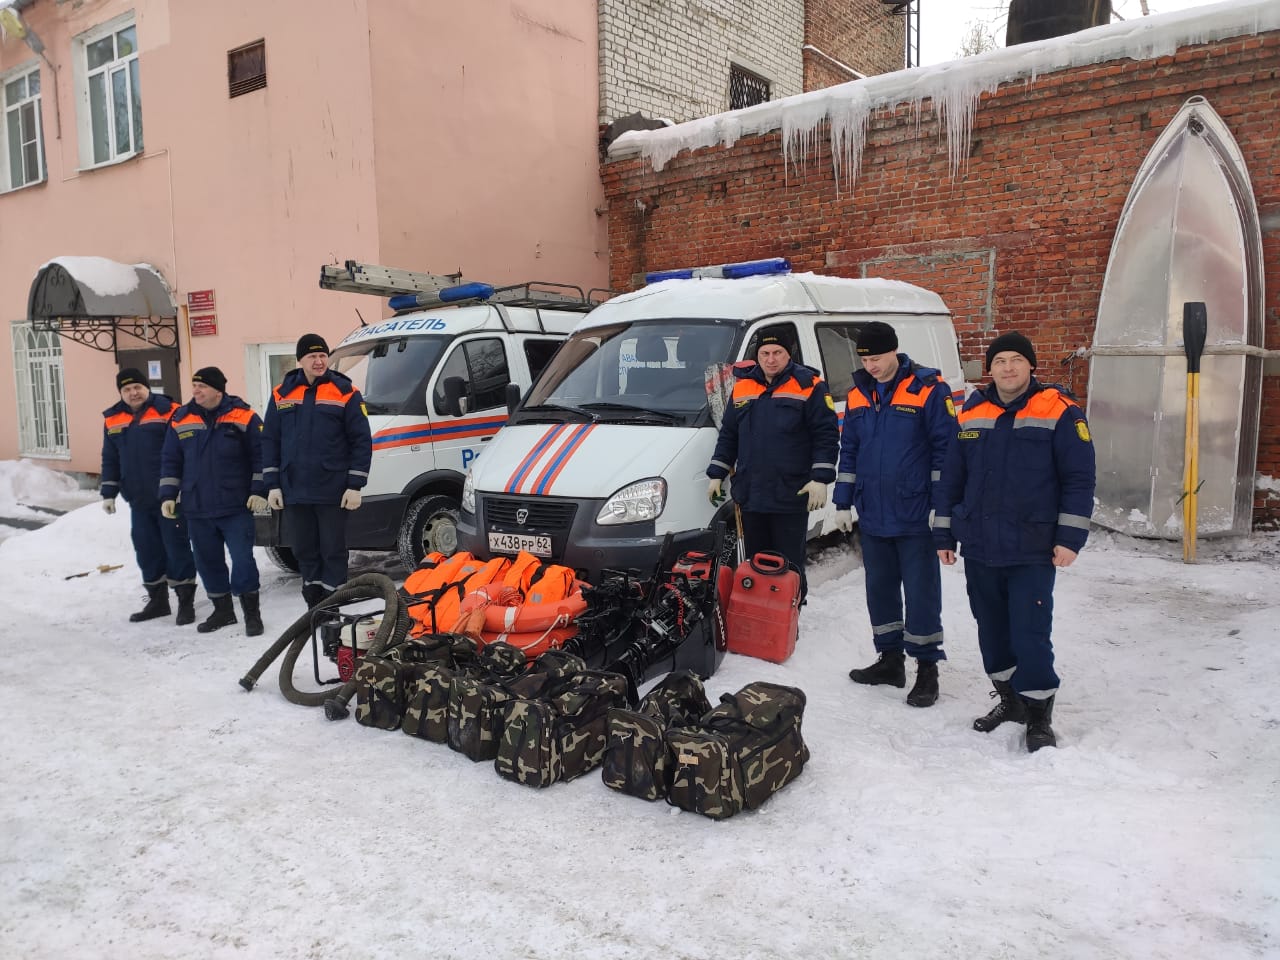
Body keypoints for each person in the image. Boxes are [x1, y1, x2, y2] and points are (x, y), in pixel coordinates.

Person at [932, 332, 1096, 752]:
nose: (1007, 368)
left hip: (1032, 545)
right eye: (1000, 360)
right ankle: (1010, 701)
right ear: (990, 368)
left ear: (1031, 366)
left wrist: (1070, 538)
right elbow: (952, 477)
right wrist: (945, 532)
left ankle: (1039, 714)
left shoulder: (1060, 411)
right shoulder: (971, 412)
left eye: (1016, 360)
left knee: (1030, 633)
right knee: (992, 630)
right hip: (981, 545)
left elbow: (1078, 479)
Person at [833, 322, 956, 708]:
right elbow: (849, 450)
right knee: (879, 589)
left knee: (921, 593)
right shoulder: (857, 396)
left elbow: (946, 452)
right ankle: (890, 660)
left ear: (895, 352)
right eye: (865, 359)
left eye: (877, 358)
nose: (871, 366)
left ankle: (926, 669)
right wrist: (842, 500)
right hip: (872, 511)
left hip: (916, 511)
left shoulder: (928, 390)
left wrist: (942, 507)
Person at [706, 324, 838, 602]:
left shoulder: (809, 385)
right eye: (765, 353)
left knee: (788, 562)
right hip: (752, 493)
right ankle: (762, 613)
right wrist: (717, 473)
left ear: (788, 354)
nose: (771, 359)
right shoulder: (743, 386)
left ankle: (790, 613)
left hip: (791, 492)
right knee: (758, 562)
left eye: (777, 352)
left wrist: (820, 478)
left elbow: (825, 435)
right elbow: (730, 434)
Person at [262, 334, 372, 608]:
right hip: (295, 489)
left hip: (332, 488)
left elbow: (361, 439)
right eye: (312, 356)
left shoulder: (345, 391)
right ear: (300, 360)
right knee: (303, 549)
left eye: (323, 355)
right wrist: (272, 484)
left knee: (332, 549)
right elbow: (270, 440)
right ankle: (313, 600)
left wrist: (355, 485)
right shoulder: (281, 394)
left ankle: (334, 602)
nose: (319, 361)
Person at [159, 367, 267, 636]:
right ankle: (223, 612)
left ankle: (251, 614)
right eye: (194, 386)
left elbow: (262, 456)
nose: (195, 391)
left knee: (243, 561)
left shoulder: (244, 416)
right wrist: (168, 496)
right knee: (208, 561)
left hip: (235, 506)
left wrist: (258, 490)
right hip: (197, 506)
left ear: (218, 390)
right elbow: (170, 460)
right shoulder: (180, 419)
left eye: (201, 386)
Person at [100, 368, 199, 625]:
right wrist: (108, 492)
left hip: (169, 498)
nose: (133, 393)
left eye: (137, 388)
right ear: (121, 393)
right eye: (127, 389)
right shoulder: (112, 419)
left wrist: (181, 488)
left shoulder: (170, 410)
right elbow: (110, 458)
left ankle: (185, 602)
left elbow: (184, 452)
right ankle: (158, 602)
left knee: (176, 548)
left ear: (147, 387)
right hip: (138, 499)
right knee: (147, 550)